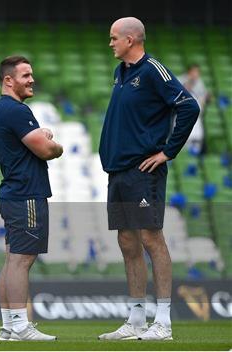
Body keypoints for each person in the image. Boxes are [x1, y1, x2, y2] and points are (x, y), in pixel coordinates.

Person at [98, 17, 200, 341]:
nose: (111, 43)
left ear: (131, 40)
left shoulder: (154, 70)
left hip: (144, 171)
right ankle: (136, 320)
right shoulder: (121, 73)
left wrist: (168, 151)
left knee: (151, 238)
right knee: (127, 242)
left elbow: (189, 106)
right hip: (118, 171)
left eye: (114, 38)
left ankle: (164, 322)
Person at [0, 55, 63, 341]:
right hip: (26, 194)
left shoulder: (2, 110)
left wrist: (41, 135)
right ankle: (20, 326)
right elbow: (46, 151)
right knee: (22, 261)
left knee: (12, 261)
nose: (32, 79)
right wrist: (55, 144)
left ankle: (9, 326)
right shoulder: (17, 111)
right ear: (9, 80)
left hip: (13, 192)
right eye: (25, 75)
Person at [178, 64, 209, 154]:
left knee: (195, 150)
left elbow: (202, 101)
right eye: (194, 71)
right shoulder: (179, 80)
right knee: (182, 150)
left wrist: (205, 98)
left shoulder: (199, 83)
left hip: (196, 122)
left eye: (197, 72)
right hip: (181, 120)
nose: (196, 74)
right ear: (189, 71)